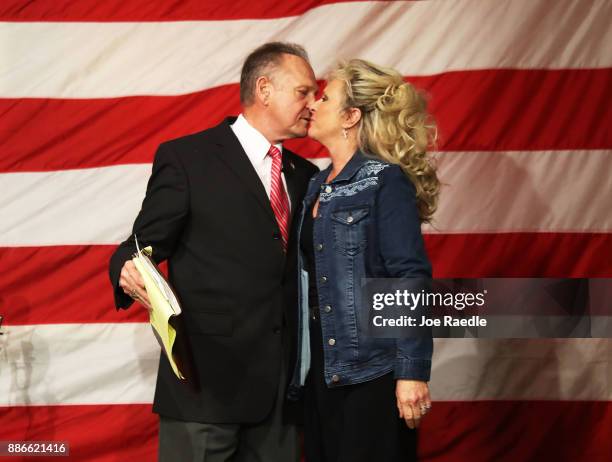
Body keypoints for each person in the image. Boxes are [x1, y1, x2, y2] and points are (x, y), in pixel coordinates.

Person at [108, 42, 319, 462]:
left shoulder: (305, 175)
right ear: (264, 89)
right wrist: (125, 268)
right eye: (304, 92)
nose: (314, 103)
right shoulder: (188, 159)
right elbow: (141, 244)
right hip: (205, 389)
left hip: (280, 397)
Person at [288, 59, 440, 461]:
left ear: (350, 116)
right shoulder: (315, 184)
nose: (313, 105)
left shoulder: (385, 180)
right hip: (320, 369)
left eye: (325, 97)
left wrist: (411, 371)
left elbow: (409, 278)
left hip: (373, 370)